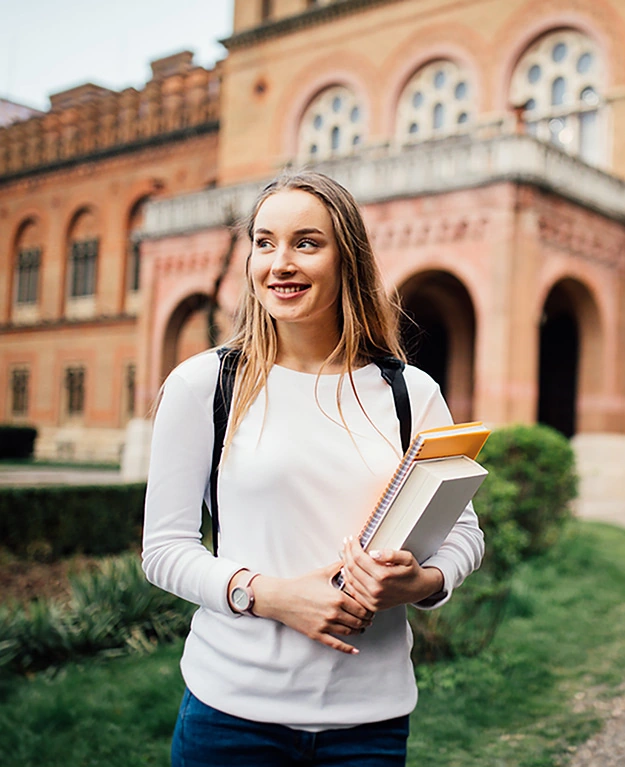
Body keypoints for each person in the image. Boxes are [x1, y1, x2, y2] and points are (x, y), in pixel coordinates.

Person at [142, 171, 484, 767]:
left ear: (346, 258)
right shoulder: (205, 385)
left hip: (369, 724)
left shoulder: (411, 393)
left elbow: (464, 532)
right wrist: (269, 596)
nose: (280, 263)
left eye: (306, 242)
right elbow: (164, 549)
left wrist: (423, 583)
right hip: (231, 716)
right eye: (264, 242)